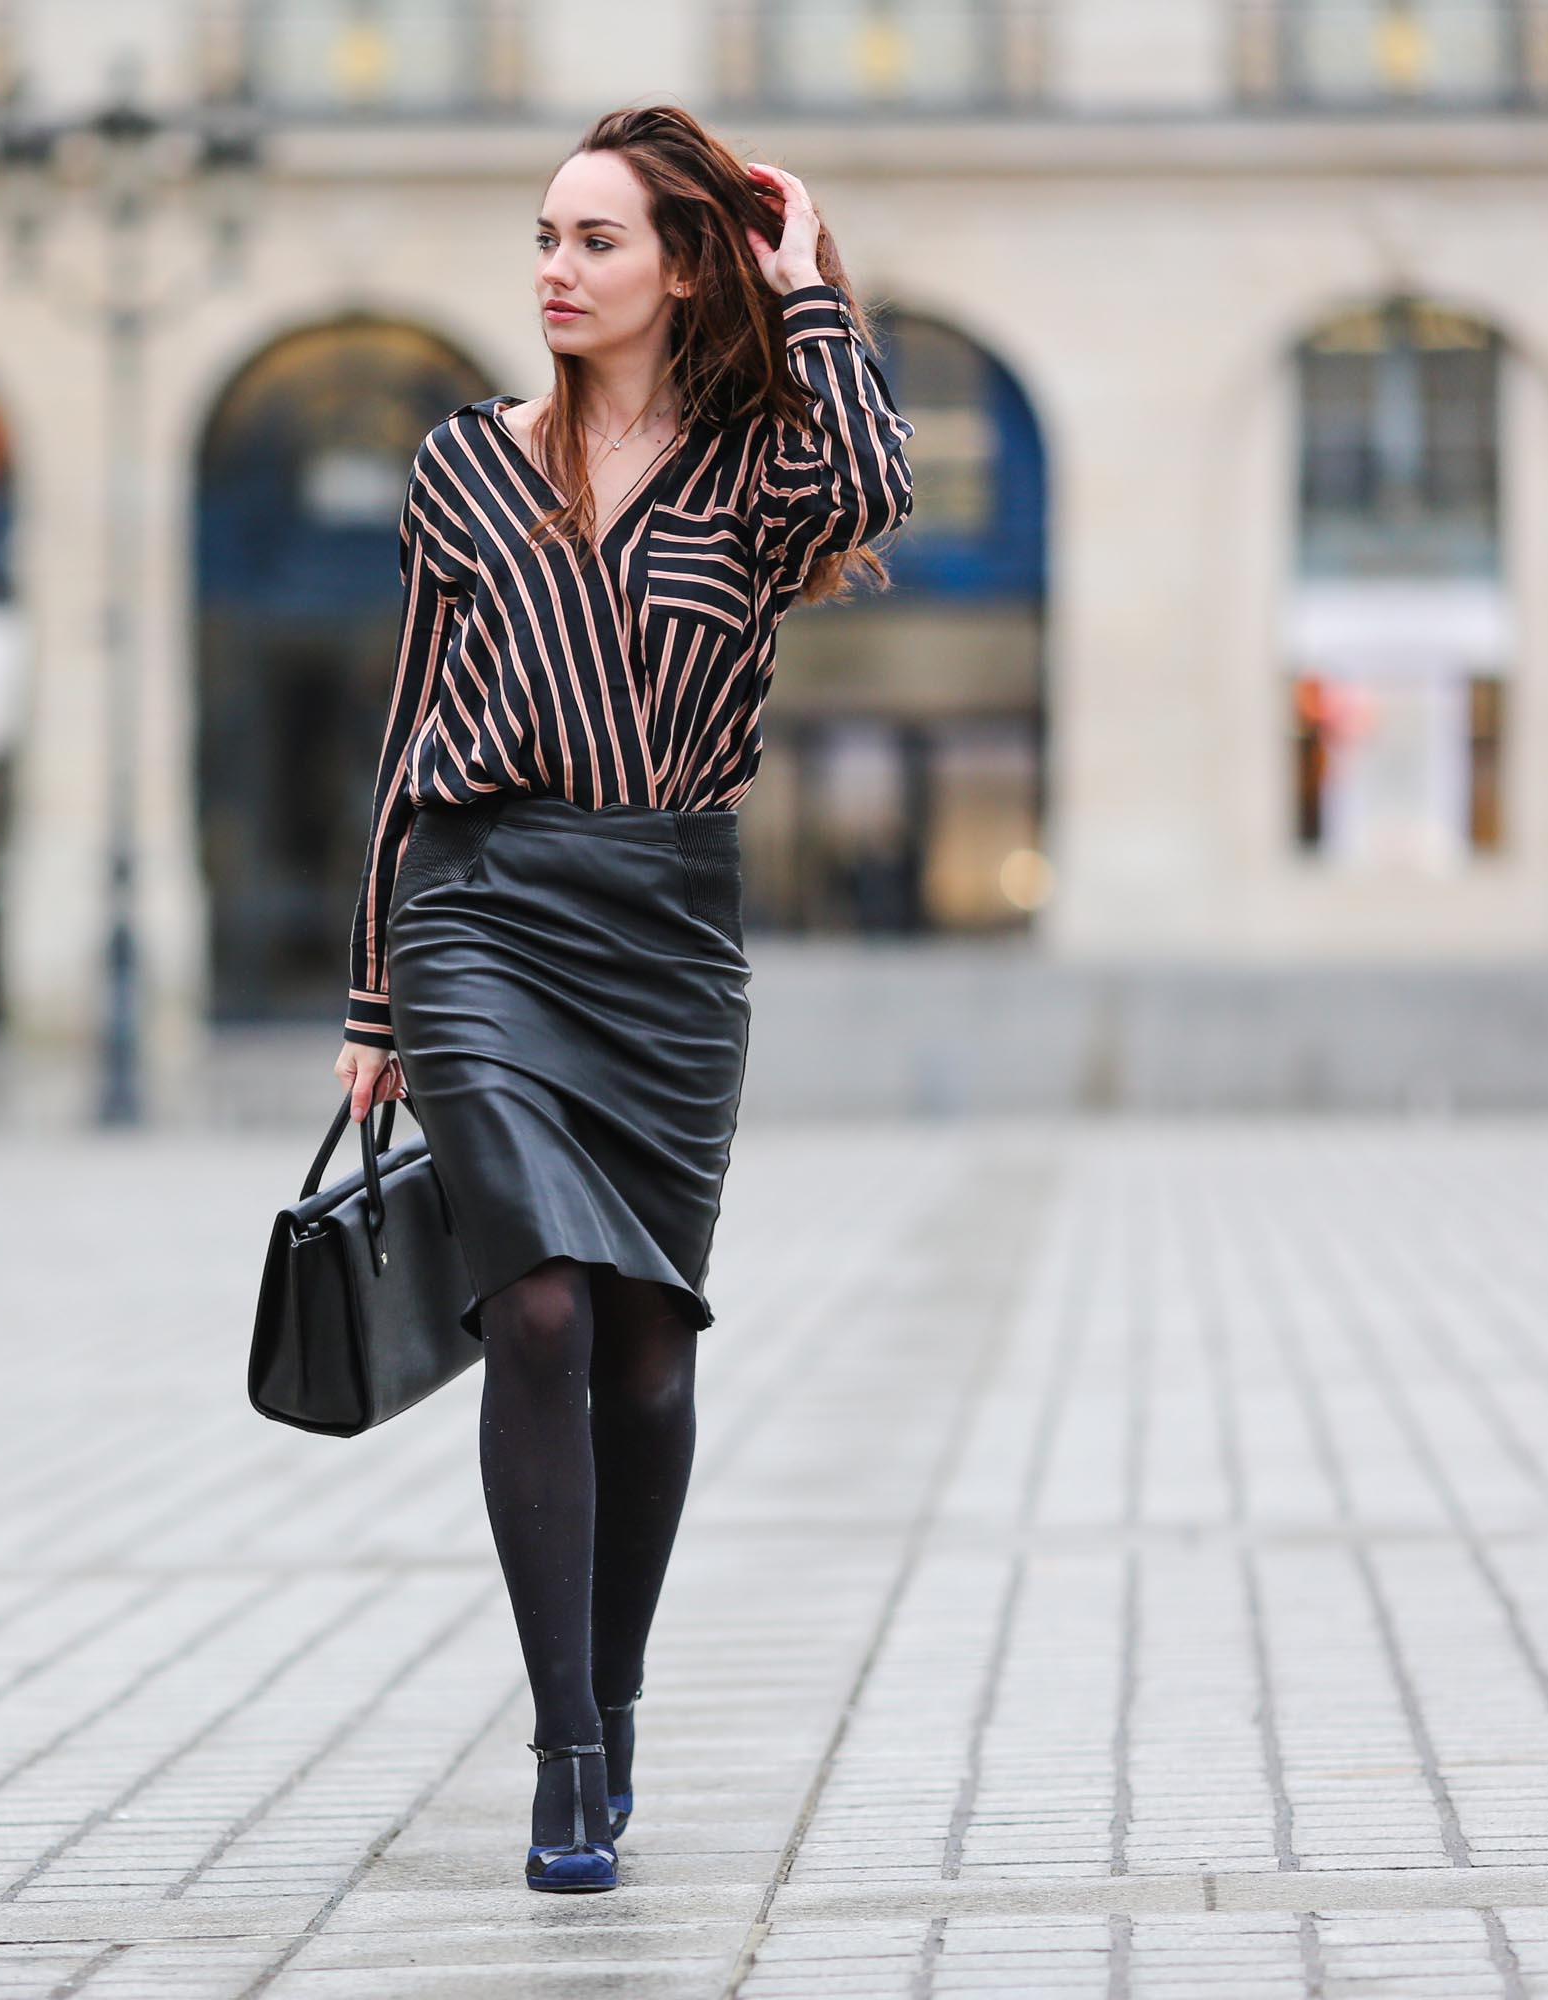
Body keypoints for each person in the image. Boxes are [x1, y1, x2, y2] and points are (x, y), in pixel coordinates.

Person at [330, 102, 915, 1893]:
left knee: (652, 1359)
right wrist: (375, 996)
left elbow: (879, 490)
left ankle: (622, 1689)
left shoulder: (757, 469)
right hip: (481, 912)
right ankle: (562, 1743)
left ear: (681, 267)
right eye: (544, 238)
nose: (556, 271)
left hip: (665, 935)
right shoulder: (460, 468)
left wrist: (808, 290)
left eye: (595, 241)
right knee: (547, 1319)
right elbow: (409, 729)